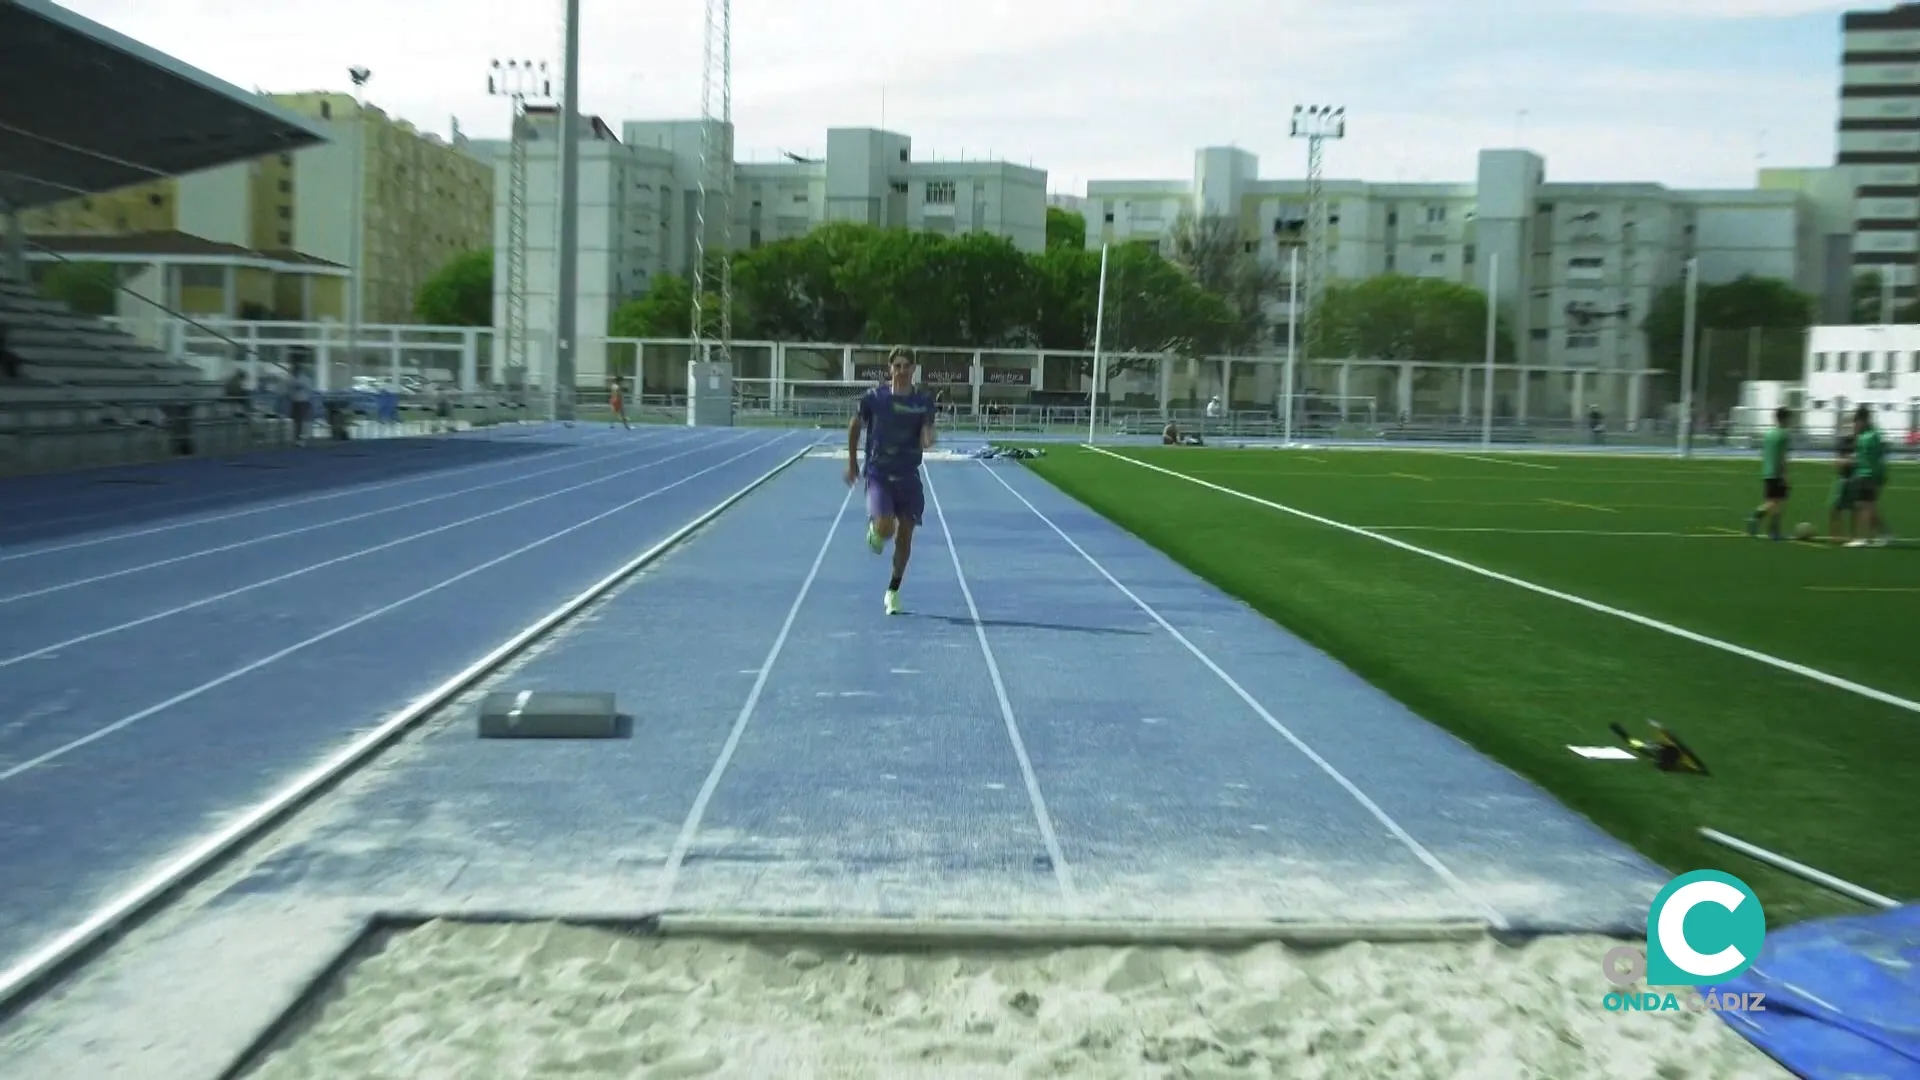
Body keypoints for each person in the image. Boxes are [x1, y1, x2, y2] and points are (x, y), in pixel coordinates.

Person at [846, 348, 935, 615]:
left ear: (913, 369)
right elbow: (855, 425)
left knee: (905, 535)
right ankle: (877, 529)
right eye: (898, 366)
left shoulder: (923, 400)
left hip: (908, 475)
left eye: (907, 366)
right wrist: (852, 462)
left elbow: (927, 428)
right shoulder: (875, 398)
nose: (902, 370)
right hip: (880, 474)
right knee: (887, 529)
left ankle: (893, 591)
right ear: (890, 368)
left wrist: (928, 437)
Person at [1846, 405, 1892, 548]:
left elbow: (1876, 458)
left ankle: (1863, 538)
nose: (1855, 425)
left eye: (1857, 422)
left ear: (1864, 420)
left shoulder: (1871, 436)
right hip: (1862, 474)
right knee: (1865, 507)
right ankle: (1884, 534)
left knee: (1866, 507)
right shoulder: (1866, 435)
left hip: (1868, 475)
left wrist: (1879, 477)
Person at [1746, 406, 1793, 541]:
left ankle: (1772, 531)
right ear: (1785, 419)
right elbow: (1782, 457)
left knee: (1772, 501)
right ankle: (1760, 519)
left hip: (1767, 472)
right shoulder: (1784, 435)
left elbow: (1764, 453)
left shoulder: (1768, 434)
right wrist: (1785, 475)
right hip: (1777, 473)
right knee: (1776, 502)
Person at [1829, 424, 1857, 545]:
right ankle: (1835, 535)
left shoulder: (1859, 443)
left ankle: (1853, 536)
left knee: (1854, 509)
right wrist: (1847, 461)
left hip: (1854, 479)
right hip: (1843, 479)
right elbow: (1838, 463)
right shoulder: (1842, 443)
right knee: (1835, 508)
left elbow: (1856, 461)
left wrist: (1849, 461)